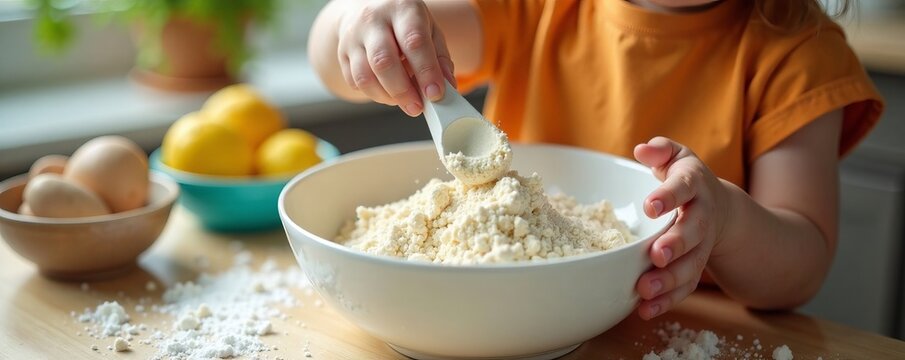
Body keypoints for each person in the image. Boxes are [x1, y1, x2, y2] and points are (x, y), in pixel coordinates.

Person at [308, 0, 884, 320]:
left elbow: (800, 265)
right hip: (482, 316)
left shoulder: (799, 52)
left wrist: (728, 221)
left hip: (672, 333)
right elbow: (330, 58)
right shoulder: (535, 8)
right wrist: (361, 22)